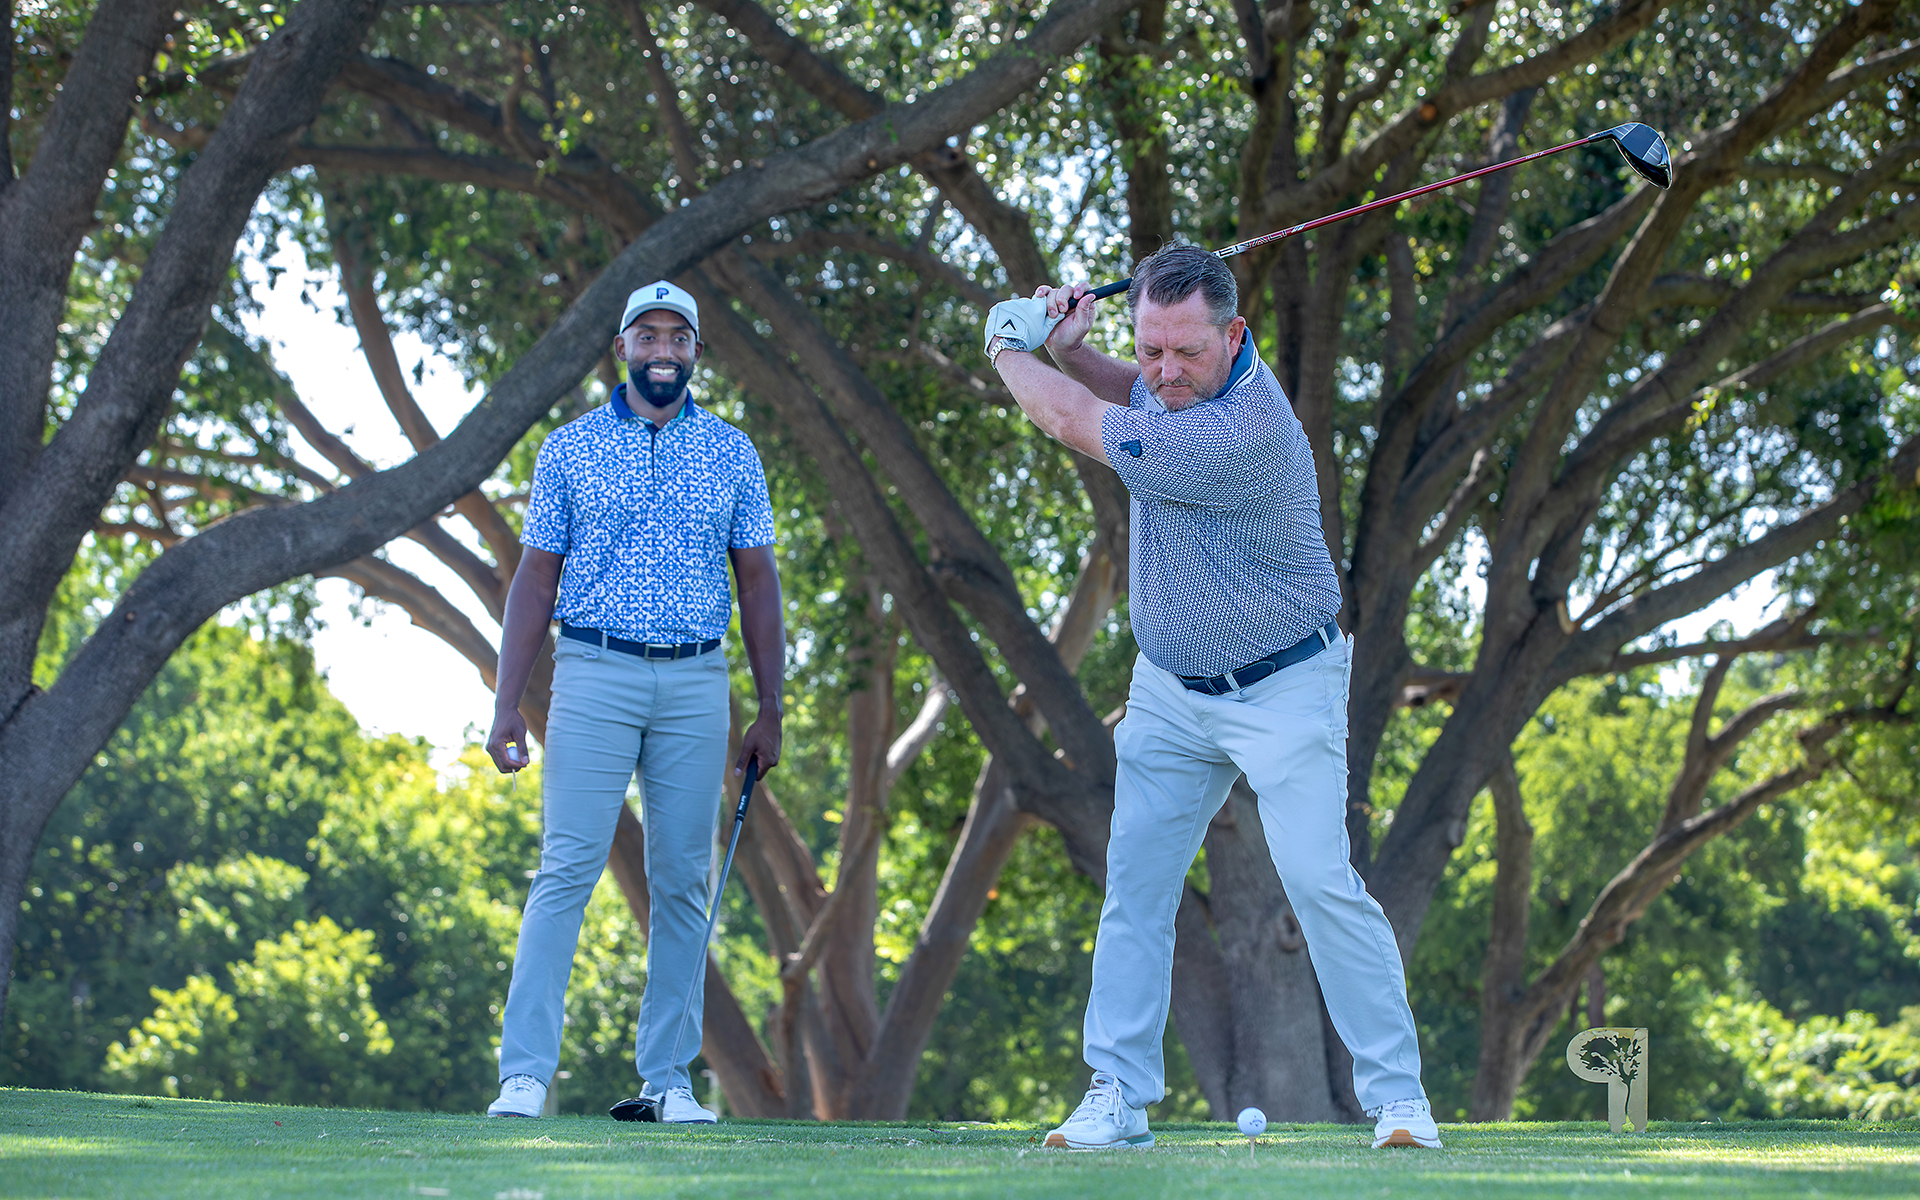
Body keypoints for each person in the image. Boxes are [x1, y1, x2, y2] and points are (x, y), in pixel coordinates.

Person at [982, 244, 1439, 1151]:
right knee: (1136, 884)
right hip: (1170, 691)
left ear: (1235, 337)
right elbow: (1130, 392)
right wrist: (1073, 348)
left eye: (1185, 351)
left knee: (1319, 882)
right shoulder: (1180, 388)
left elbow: (1074, 419)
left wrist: (1006, 344)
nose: (1164, 370)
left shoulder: (1244, 434)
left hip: (1285, 686)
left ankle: (1400, 1100)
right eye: (1150, 347)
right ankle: (1117, 1094)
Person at [482, 280, 785, 1122]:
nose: (662, 351)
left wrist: (770, 705)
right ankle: (524, 1076)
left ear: (696, 353)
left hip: (697, 681)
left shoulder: (732, 453)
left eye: (677, 338)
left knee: (683, 880)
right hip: (593, 672)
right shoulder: (568, 450)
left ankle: (669, 1080)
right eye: (646, 336)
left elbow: (758, 583)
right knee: (566, 870)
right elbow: (534, 579)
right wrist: (506, 703)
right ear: (621, 349)